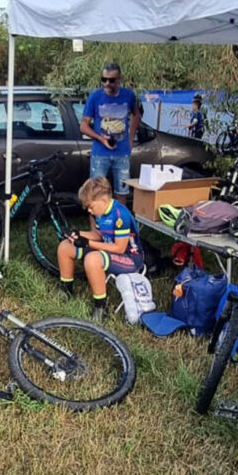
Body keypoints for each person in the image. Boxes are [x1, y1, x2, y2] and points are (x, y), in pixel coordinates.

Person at [56, 176, 144, 322]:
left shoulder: (120, 214)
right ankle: (66, 290)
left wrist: (87, 243)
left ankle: (101, 308)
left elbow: (119, 248)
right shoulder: (101, 212)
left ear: (103, 201)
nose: (89, 211)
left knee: (93, 259)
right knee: (65, 247)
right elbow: (98, 234)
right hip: (109, 249)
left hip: (130, 258)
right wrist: (76, 234)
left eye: (91, 207)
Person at [80, 62, 141, 203]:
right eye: (104, 79)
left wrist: (130, 139)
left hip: (122, 153)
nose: (107, 83)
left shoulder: (128, 95)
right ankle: (95, 226)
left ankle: (120, 224)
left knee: (122, 192)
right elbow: (83, 126)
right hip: (100, 154)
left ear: (119, 79)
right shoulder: (95, 97)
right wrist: (101, 139)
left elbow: (136, 115)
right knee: (95, 193)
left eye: (111, 80)